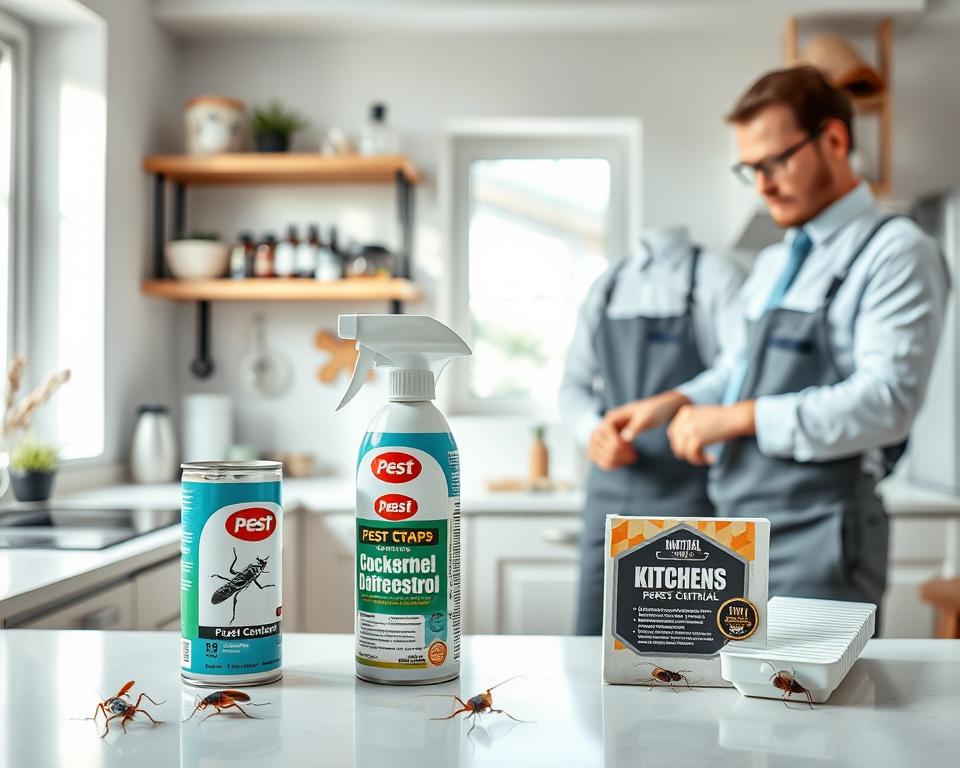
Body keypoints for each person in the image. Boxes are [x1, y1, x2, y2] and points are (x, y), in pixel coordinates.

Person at [605, 66, 949, 610]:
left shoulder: (896, 251)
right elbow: (739, 372)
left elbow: (887, 403)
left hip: (823, 531)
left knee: (810, 696)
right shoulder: (771, 264)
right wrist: (675, 402)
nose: (762, 185)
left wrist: (737, 418)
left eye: (776, 162)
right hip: (738, 528)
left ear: (834, 140)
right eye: (750, 169)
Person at [561, 225, 743, 635]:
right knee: (595, 635)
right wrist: (594, 431)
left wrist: (676, 398)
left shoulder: (717, 276)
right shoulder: (607, 286)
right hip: (607, 496)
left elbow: (740, 369)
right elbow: (573, 384)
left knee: (685, 638)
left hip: (690, 494)